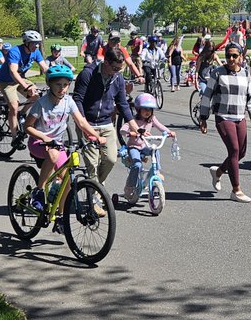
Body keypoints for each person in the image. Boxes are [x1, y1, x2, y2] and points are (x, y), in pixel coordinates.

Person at [23, 61, 105, 213]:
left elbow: (81, 121)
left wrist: (96, 136)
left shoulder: (69, 101)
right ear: (49, 84)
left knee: (67, 179)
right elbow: (27, 126)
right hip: (38, 143)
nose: (62, 89)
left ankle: (60, 216)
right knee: (53, 154)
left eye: (66, 85)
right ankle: (39, 192)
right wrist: (44, 138)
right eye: (58, 84)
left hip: (56, 144)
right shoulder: (41, 103)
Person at [198, 42, 251, 203]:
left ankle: (218, 172)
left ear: (241, 56)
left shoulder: (246, 74)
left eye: (234, 55)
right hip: (223, 116)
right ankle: (236, 190)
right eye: (228, 56)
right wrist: (203, 118)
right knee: (234, 150)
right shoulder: (218, 73)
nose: (231, 59)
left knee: (241, 153)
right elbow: (207, 96)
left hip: (240, 117)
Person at [73, 45, 136, 185]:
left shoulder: (118, 78)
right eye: (115, 69)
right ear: (105, 62)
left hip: (106, 124)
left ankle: (94, 187)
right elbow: (77, 99)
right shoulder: (88, 74)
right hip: (87, 123)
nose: (117, 72)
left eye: (120, 69)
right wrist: (83, 124)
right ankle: (95, 199)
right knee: (92, 164)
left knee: (111, 160)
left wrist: (134, 127)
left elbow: (122, 103)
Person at [118, 92, 175, 200]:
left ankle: (157, 171)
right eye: (145, 109)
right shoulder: (133, 120)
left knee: (155, 150)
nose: (147, 112)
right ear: (138, 109)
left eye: (150, 109)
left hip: (144, 146)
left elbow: (161, 127)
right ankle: (130, 186)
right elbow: (123, 130)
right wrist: (131, 133)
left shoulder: (152, 119)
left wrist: (169, 132)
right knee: (137, 165)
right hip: (134, 147)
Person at [0, 31, 44, 140]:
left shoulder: (36, 52)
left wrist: (57, 79)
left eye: (38, 43)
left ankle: (22, 114)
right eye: (34, 43)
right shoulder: (15, 51)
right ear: (26, 42)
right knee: (13, 106)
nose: (36, 46)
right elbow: (13, 72)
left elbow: (45, 68)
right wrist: (27, 87)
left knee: (37, 95)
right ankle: (14, 136)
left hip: (20, 79)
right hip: (6, 81)